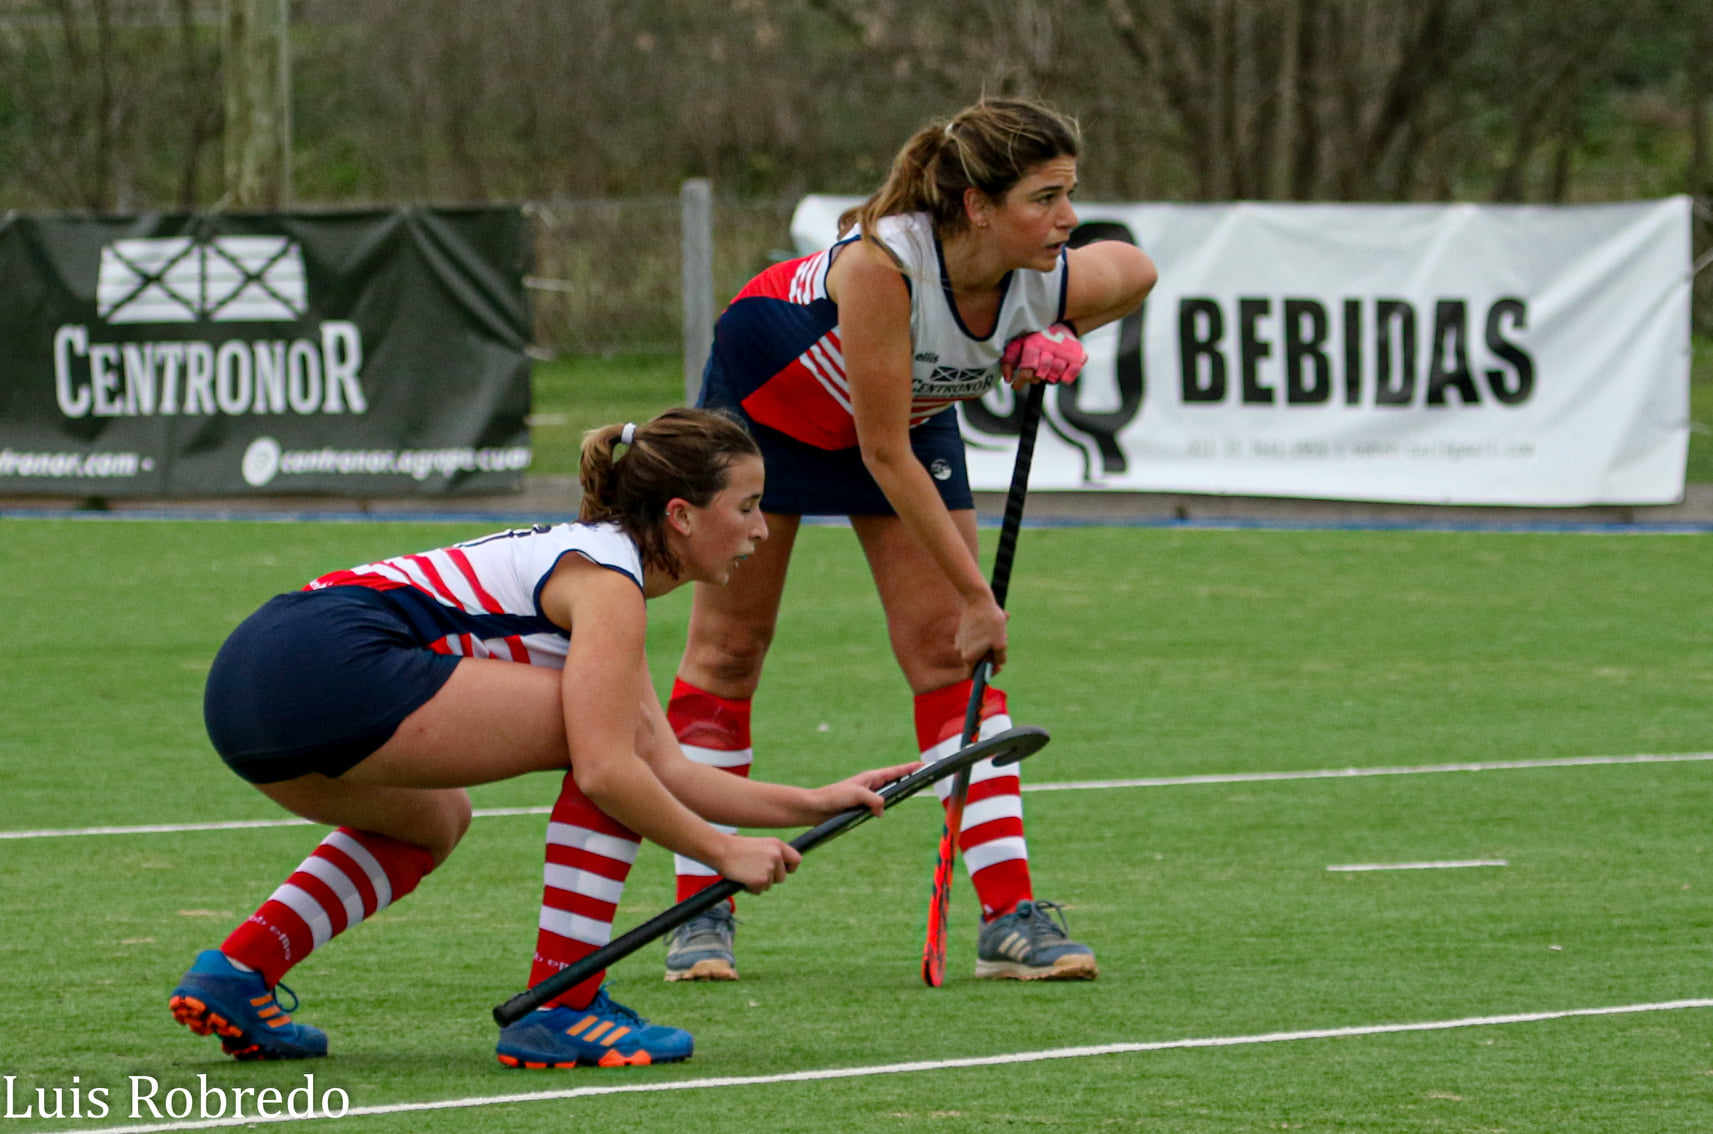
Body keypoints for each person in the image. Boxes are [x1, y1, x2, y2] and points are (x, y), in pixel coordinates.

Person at [168, 408, 917, 1069]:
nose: (761, 527)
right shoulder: (608, 583)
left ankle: (239, 973)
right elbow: (607, 772)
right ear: (682, 516)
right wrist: (721, 851)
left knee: (433, 819)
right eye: (748, 506)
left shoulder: (601, 567)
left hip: (246, 684)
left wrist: (811, 802)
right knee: (597, 747)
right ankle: (563, 1006)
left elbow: (664, 765)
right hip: (324, 665)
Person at [660, 96, 1158, 984]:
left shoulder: (1040, 271)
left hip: (902, 415)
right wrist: (979, 591)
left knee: (945, 655)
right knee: (729, 652)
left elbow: (1136, 270)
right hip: (761, 417)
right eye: (1044, 198)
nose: (1067, 219)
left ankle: (1008, 915)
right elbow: (881, 453)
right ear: (976, 206)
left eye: (1068, 194)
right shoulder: (882, 266)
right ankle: (702, 906)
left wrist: (1060, 331)